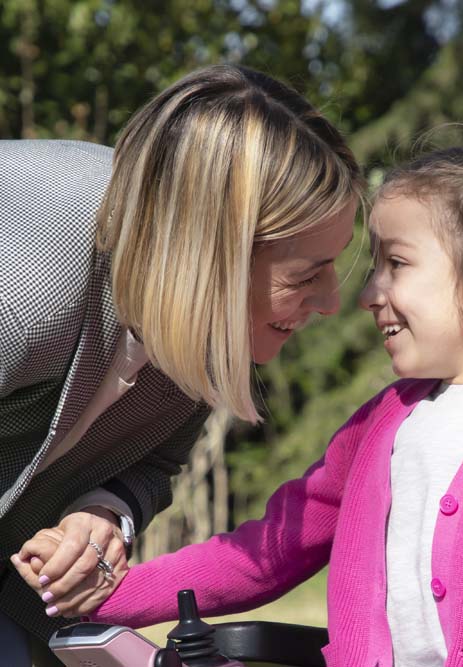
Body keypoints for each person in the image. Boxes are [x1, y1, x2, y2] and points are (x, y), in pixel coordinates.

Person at [16, 142, 463, 666]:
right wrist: (103, 593)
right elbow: (266, 549)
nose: (369, 294)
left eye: (396, 264)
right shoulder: (386, 417)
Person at [0, 64, 364, 666]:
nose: (330, 303)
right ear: (210, 257)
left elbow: (154, 463)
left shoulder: (194, 325)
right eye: (305, 276)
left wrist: (101, 513)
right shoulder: (31, 275)